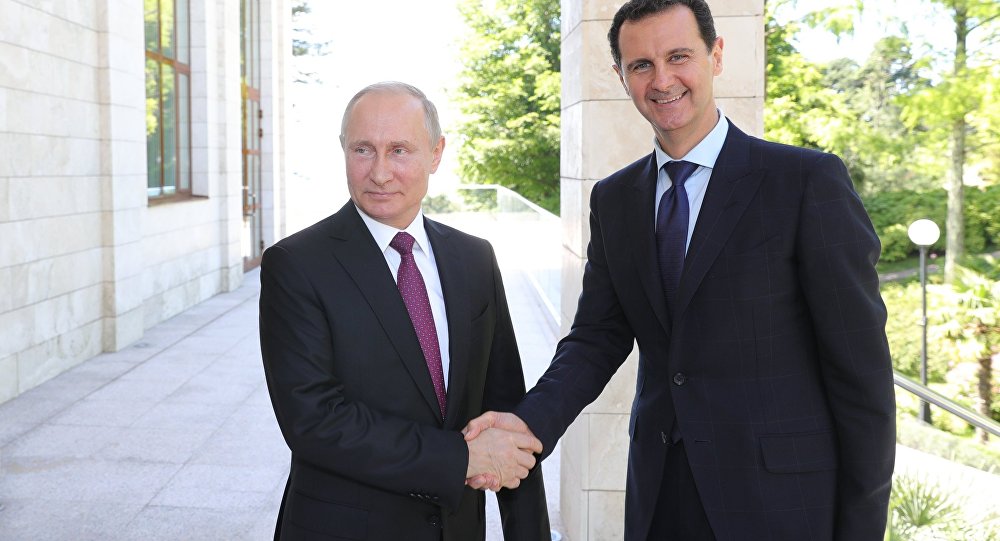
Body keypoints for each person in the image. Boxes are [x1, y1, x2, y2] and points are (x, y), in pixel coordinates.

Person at [464, 1, 896, 539]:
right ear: (621, 76)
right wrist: (528, 424)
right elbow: (597, 337)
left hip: (781, 504)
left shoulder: (805, 182)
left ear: (716, 55)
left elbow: (862, 378)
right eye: (641, 65)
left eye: (679, 56)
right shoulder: (615, 198)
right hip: (662, 495)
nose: (662, 80)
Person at [260, 81, 550, 541]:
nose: (379, 173)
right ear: (343, 150)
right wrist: (460, 458)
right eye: (363, 150)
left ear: (436, 154)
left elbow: (505, 409)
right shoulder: (296, 264)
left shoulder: (475, 258)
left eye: (399, 150)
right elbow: (314, 420)